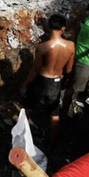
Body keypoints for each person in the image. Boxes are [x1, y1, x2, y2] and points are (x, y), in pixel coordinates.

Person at [20, 14, 74, 143]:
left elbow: (36, 69)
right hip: (56, 82)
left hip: (41, 80)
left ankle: (22, 135)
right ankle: (53, 140)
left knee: (29, 106)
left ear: (49, 27)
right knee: (54, 114)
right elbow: (68, 69)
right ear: (63, 28)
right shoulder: (71, 46)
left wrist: (26, 84)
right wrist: (65, 80)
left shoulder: (43, 47)